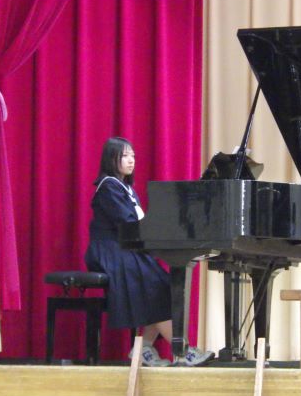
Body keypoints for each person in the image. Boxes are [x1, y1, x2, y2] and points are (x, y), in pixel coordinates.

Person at [84, 136, 214, 367]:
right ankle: (183, 351)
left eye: (133, 155)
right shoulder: (108, 187)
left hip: (125, 248)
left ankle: (143, 347)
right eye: (125, 156)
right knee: (154, 283)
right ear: (111, 159)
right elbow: (127, 221)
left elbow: (139, 222)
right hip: (110, 250)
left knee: (163, 285)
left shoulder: (125, 187)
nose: (131, 160)